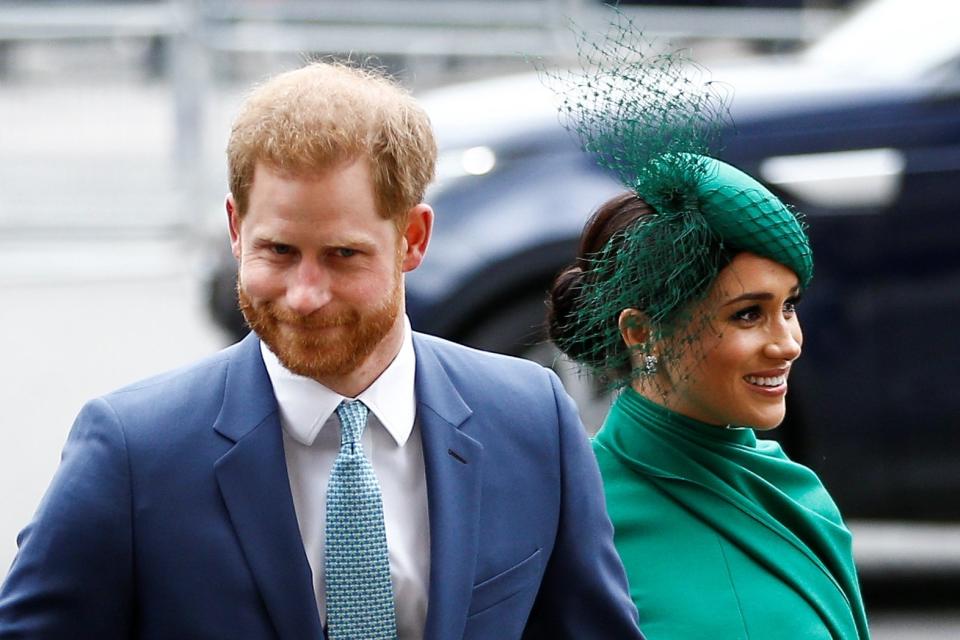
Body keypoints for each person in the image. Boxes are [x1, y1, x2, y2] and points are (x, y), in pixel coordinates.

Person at [0, 62, 643, 639]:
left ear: (412, 238)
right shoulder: (133, 450)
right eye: (278, 251)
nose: (305, 294)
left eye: (343, 255)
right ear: (234, 228)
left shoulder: (532, 419)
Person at [545, 17, 870, 639]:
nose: (787, 343)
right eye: (747, 314)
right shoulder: (580, 524)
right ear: (641, 332)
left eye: (790, 306)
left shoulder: (795, 488)